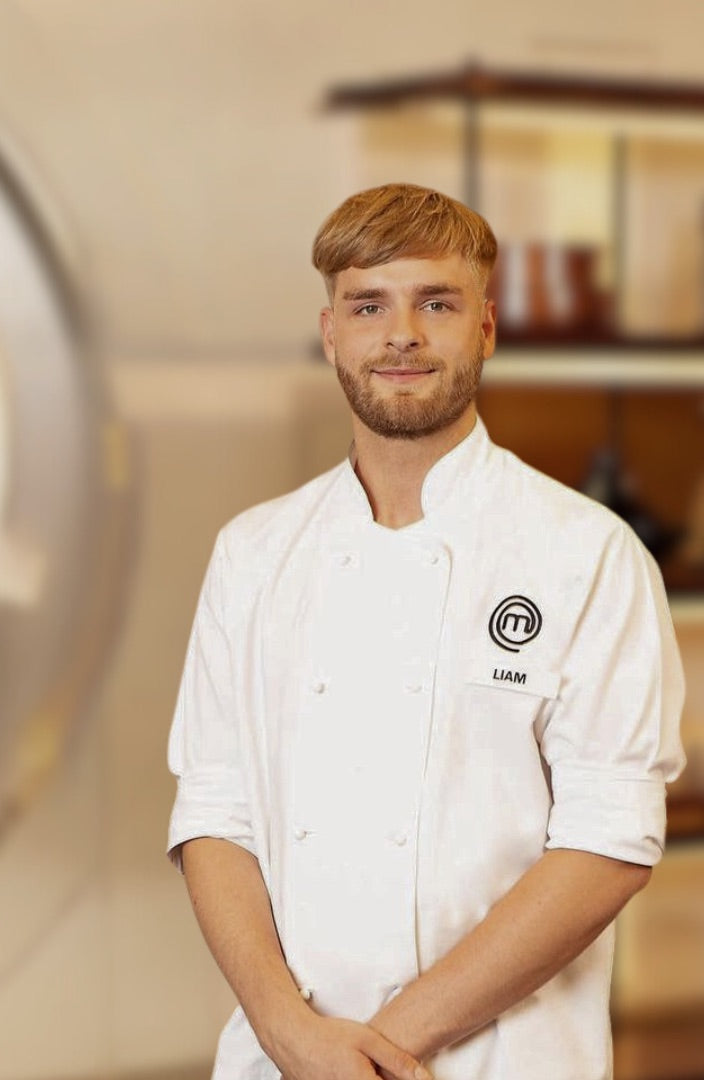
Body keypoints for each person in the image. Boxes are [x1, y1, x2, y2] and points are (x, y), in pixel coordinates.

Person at [166, 183, 686, 1080]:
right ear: (332, 334)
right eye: (369, 305)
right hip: (281, 1061)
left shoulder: (585, 553)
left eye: (435, 303)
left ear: (484, 328)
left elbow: (607, 844)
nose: (400, 334)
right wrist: (292, 1036)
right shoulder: (253, 554)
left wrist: (382, 1049)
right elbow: (214, 816)